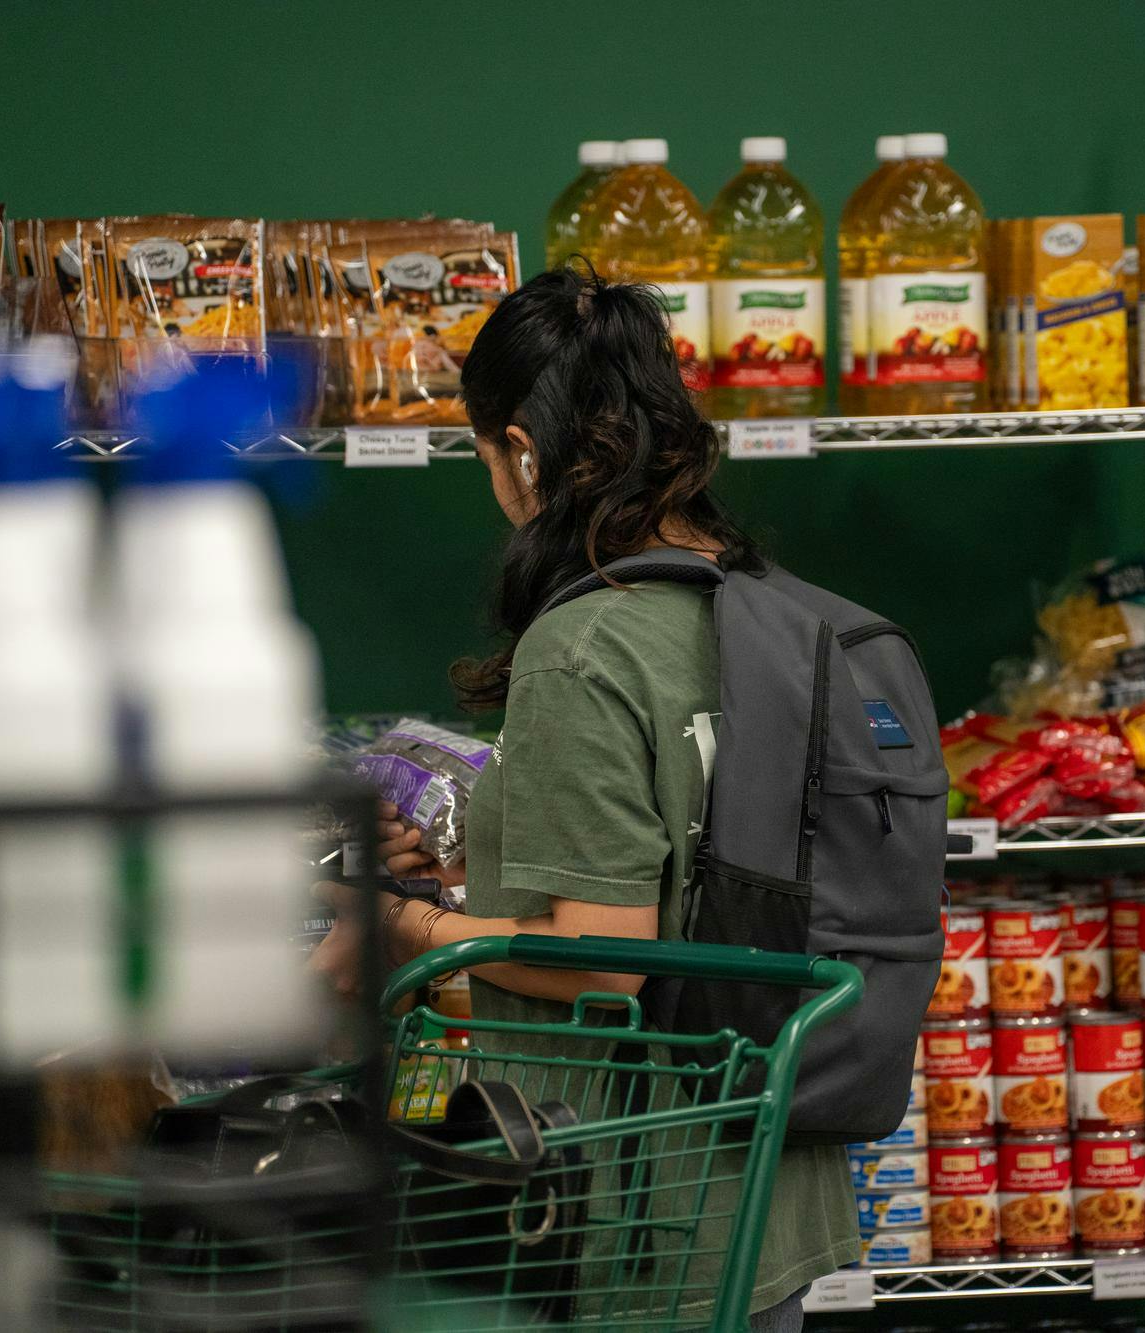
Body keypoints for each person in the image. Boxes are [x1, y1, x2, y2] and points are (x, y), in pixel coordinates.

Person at [311, 264, 854, 1331]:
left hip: (637, 1206)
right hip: (765, 1179)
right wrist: (487, 877)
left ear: (519, 450)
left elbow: (603, 951)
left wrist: (407, 926)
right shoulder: (760, 608)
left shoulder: (581, 646)